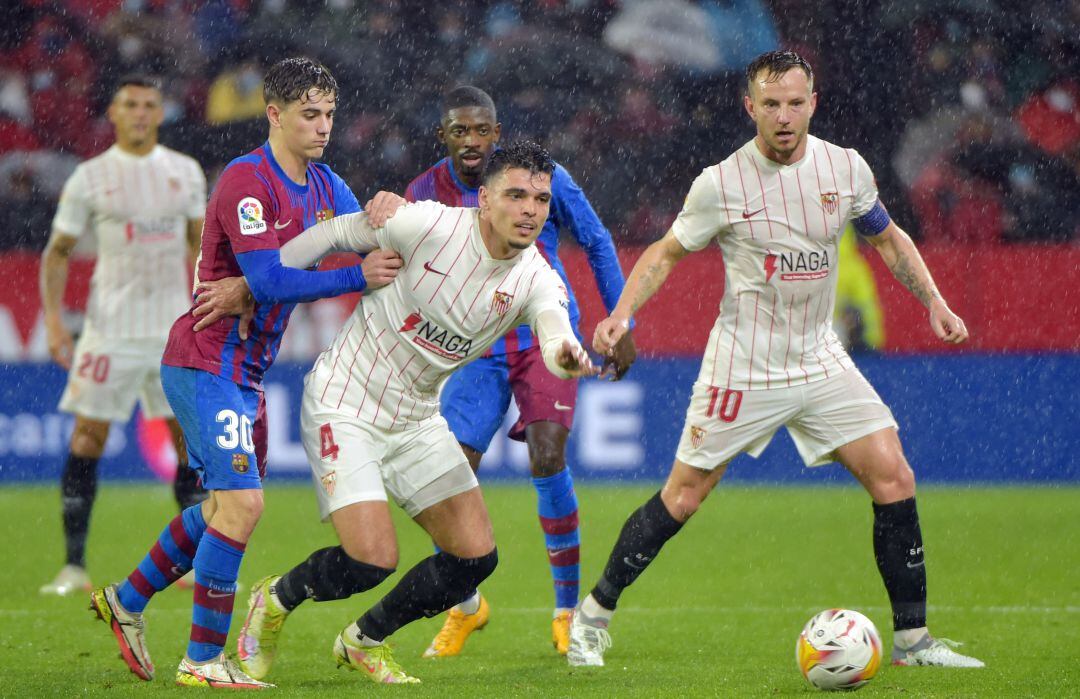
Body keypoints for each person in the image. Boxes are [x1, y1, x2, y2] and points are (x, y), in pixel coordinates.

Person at [567, 50, 986, 671]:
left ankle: (913, 643)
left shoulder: (845, 169)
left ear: (813, 103)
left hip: (820, 357)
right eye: (771, 104)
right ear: (750, 108)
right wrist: (622, 314)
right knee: (683, 496)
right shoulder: (721, 183)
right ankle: (592, 618)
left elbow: (889, 240)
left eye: (795, 102)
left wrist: (934, 303)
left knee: (894, 476)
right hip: (744, 365)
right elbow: (664, 253)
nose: (784, 116)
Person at [88, 57, 404, 689]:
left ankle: (126, 601)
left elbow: (373, 232)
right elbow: (265, 280)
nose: (322, 127)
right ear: (274, 114)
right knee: (243, 506)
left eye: (330, 114)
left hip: (246, 373)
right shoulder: (246, 181)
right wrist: (355, 276)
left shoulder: (324, 185)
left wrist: (392, 207)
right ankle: (202, 661)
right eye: (309, 114)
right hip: (207, 359)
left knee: (219, 509)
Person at [233, 141, 597, 685]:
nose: (529, 210)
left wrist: (565, 358)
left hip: (416, 418)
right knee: (370, 560)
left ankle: (365, 640)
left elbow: (554, 331)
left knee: (474, 559)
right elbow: (334, 235)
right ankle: (275, 599)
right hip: (345, 401)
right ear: (484, 199)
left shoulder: (537, 277)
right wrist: (255, 286)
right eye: (516, 195)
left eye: (540, 199)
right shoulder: (425, 225)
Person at [404, 85, 635, 657]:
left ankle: (566, 614)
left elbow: (598, 240)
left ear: (498, 133)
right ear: (444, 137)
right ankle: (467, 607)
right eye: (461, 131)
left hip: (543, 336)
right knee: (447, 479)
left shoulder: (542, 177)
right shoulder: (423, 192)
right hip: (473, 346)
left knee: (548, 454)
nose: (473, 141)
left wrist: (620, 320)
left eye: (482, 130)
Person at [39, 74, 207, 597]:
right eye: (129, 104)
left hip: (170, 332)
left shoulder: (185, 172)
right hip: (108, 330)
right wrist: (51, 321)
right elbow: (58, 251)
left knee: (187, 445)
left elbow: (201, 252)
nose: (139, 112)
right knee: (87, 437)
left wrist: (210, 314)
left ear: (161, 113)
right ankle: (72, 567)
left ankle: (196, 565)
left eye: (149, 104)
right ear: (112, 113)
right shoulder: (90, 176)